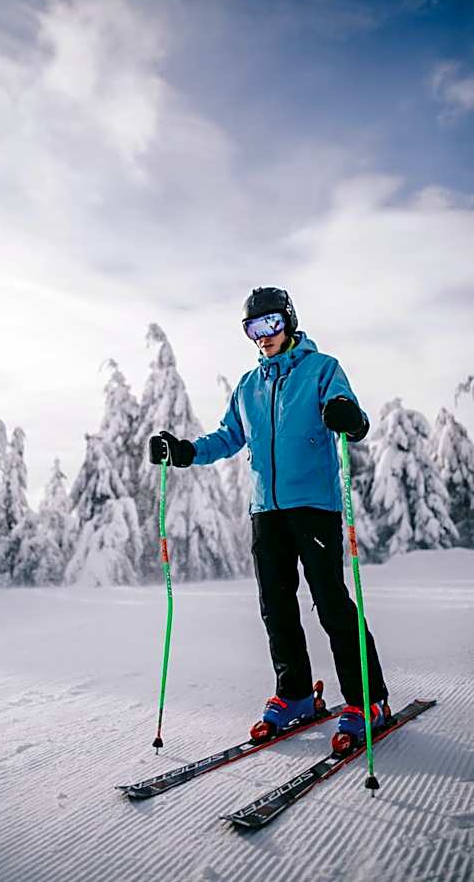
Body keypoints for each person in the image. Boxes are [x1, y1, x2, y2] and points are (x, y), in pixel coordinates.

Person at [149, 286, 389, 747]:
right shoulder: (248, 386)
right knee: (275, 609)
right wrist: (184, 452)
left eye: (271, 324)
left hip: (314, 509)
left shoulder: (322, 370)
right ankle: (295, 693)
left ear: (289, 322)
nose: (263, 336)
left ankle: (368, 699)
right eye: (253, 328)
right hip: (266, 512)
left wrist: (347, 417)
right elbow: (227, 437)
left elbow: (353, 420)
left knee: (332, 604)